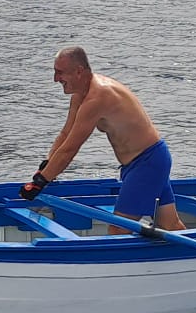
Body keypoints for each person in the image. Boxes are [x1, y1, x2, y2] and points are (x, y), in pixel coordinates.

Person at [19, 46, 185, 230]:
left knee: (118, 229)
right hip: (146, 162)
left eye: (60, 73)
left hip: (147, 164)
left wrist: (41, 182)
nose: (55, 79)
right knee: (169, 224)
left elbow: (70, 150)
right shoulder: (79, 96)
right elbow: (65, 135)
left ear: (79, 71)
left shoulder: (97, 98)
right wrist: (46, 167)